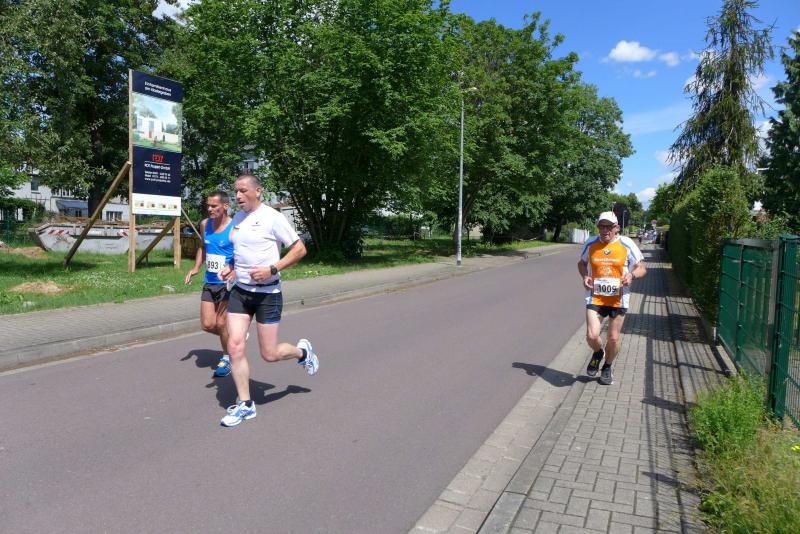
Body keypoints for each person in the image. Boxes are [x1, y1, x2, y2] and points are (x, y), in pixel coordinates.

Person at [218, 174, 319, 427]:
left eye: (243, 190)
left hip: (268, 294)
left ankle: (302, 352)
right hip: (240, 291)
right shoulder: (238, 218)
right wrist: (231, 267)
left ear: (257, 191)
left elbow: (300, 249)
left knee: (270, 354)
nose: (238, 196)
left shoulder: (273, 217)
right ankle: (246, 405)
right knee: (234, 346)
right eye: (236, 191)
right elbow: (239, 250)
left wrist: (272, 269)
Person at [577, 211, 646, 385]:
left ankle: (607, 366)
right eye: (601, 226)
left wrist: (632, 275)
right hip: (596, 297)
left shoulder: (626, 243)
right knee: (592, 336)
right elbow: (582, 263)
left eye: (609, 226)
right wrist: (585, 276)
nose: (605, 230)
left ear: (617, 228)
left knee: (613, 338)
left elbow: (641, 268)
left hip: (618, 299)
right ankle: (598, 352)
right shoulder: (591, 242)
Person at [184, 191, 235, 378]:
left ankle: (227, 358)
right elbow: (202, 247)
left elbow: (243, 253)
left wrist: (234, 269)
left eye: (214, 206)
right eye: (208, 205)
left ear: (225, 206)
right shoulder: (205, 224)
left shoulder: (235, 227)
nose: (210, 209)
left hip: (228, 283)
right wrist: (196, 267)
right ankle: (234, 337)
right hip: (210, 282)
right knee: (207, 324)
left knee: (221, 322)